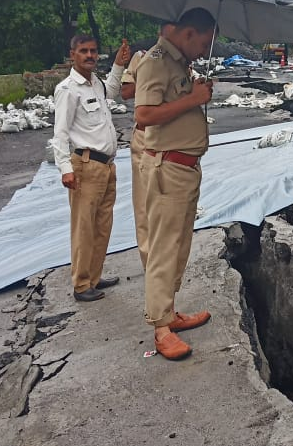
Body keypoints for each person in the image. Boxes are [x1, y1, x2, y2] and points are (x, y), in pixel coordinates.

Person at [132, 8, 216, 360]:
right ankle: (161, 328)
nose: (205, 50)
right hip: (168, 170)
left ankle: (169, 312)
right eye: (204, 43)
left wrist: (196, 92)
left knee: (178, 246)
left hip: (185, 169)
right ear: (189, 33)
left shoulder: (179, 62)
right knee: (164, 250)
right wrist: (193, 100)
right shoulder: (155, 61)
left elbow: (174, 106)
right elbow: (144, 115)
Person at [52, 34, 131, 302]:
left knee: (102, 226)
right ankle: (82, 284)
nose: (90, 55)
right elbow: (60, 133)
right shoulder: (68, 90)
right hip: (84, 166)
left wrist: (119, 65)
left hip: (106, 166)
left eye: (93, 51)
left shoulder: (95, 83)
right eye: (84, 51)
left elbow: (111, 91)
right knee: (84, 227)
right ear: (72, 54)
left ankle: (94, 277)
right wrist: (65, 168)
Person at [121, 23, 175, 268]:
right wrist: (150, 77)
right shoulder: (142, 58)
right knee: (144, 205)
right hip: (146, 138)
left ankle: (166, 263)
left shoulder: (181, 62)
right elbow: (125, 91)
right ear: (161, 32)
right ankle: (149, 263)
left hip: (172, 139)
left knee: (169, 204)